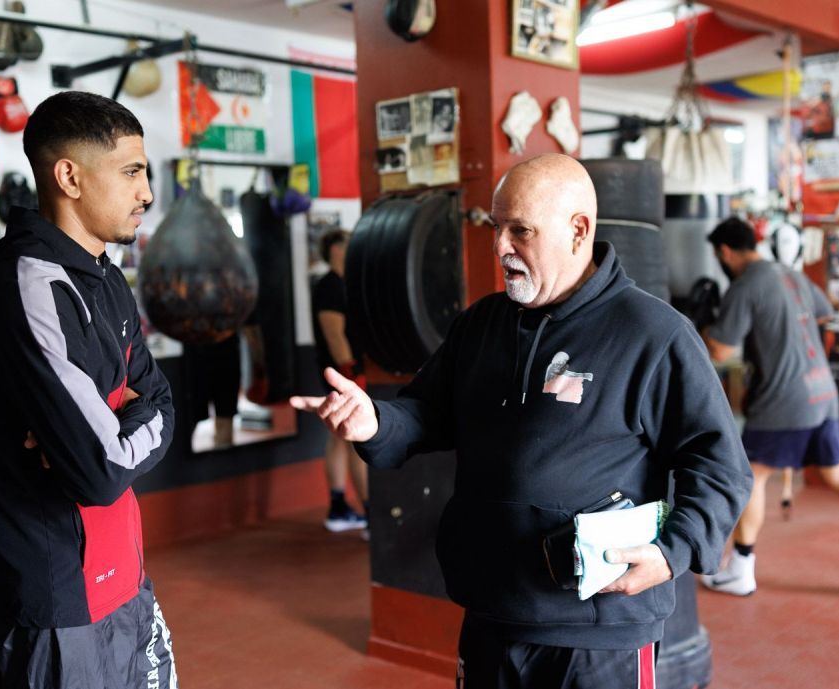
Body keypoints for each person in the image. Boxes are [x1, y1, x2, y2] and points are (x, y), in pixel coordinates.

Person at [292, 154, 752, 688]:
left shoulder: (653, 333)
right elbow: (425, 414)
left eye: (520, 231)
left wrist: (672, 553)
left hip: (597, 634)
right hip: (492, 613)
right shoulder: (481, 325)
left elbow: (719, 463)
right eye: (497, 227)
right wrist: (371, 420)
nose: (500, 247)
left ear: (578, 230)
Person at [0, 91, 177, 689]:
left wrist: (123, 422)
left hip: (126, 578)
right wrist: (122, 422)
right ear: (69, 177)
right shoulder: (27, 289)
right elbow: (101, 470)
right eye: (132, 172)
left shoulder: (107, 278)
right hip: (59, 604)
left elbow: (161, 403)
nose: (147, 193)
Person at [700, 217, 839, 596]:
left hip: (783, 400)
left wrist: (703, 325)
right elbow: (823, 313)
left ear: (724, 252)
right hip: (822, 392)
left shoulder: (745, 286)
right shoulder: (792, 276)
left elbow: (722, 350)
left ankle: (741, 566)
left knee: (753, 476)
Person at [311, 229, 369, 532]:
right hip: (342, 374)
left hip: (347, 373)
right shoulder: (330, 286)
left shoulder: (347, 284)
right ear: (335, 249)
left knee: (339, 437)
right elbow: (334, 335)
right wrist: (350, 374)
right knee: (355, 440)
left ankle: (338, 506)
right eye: (347, 244)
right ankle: (372, 515)